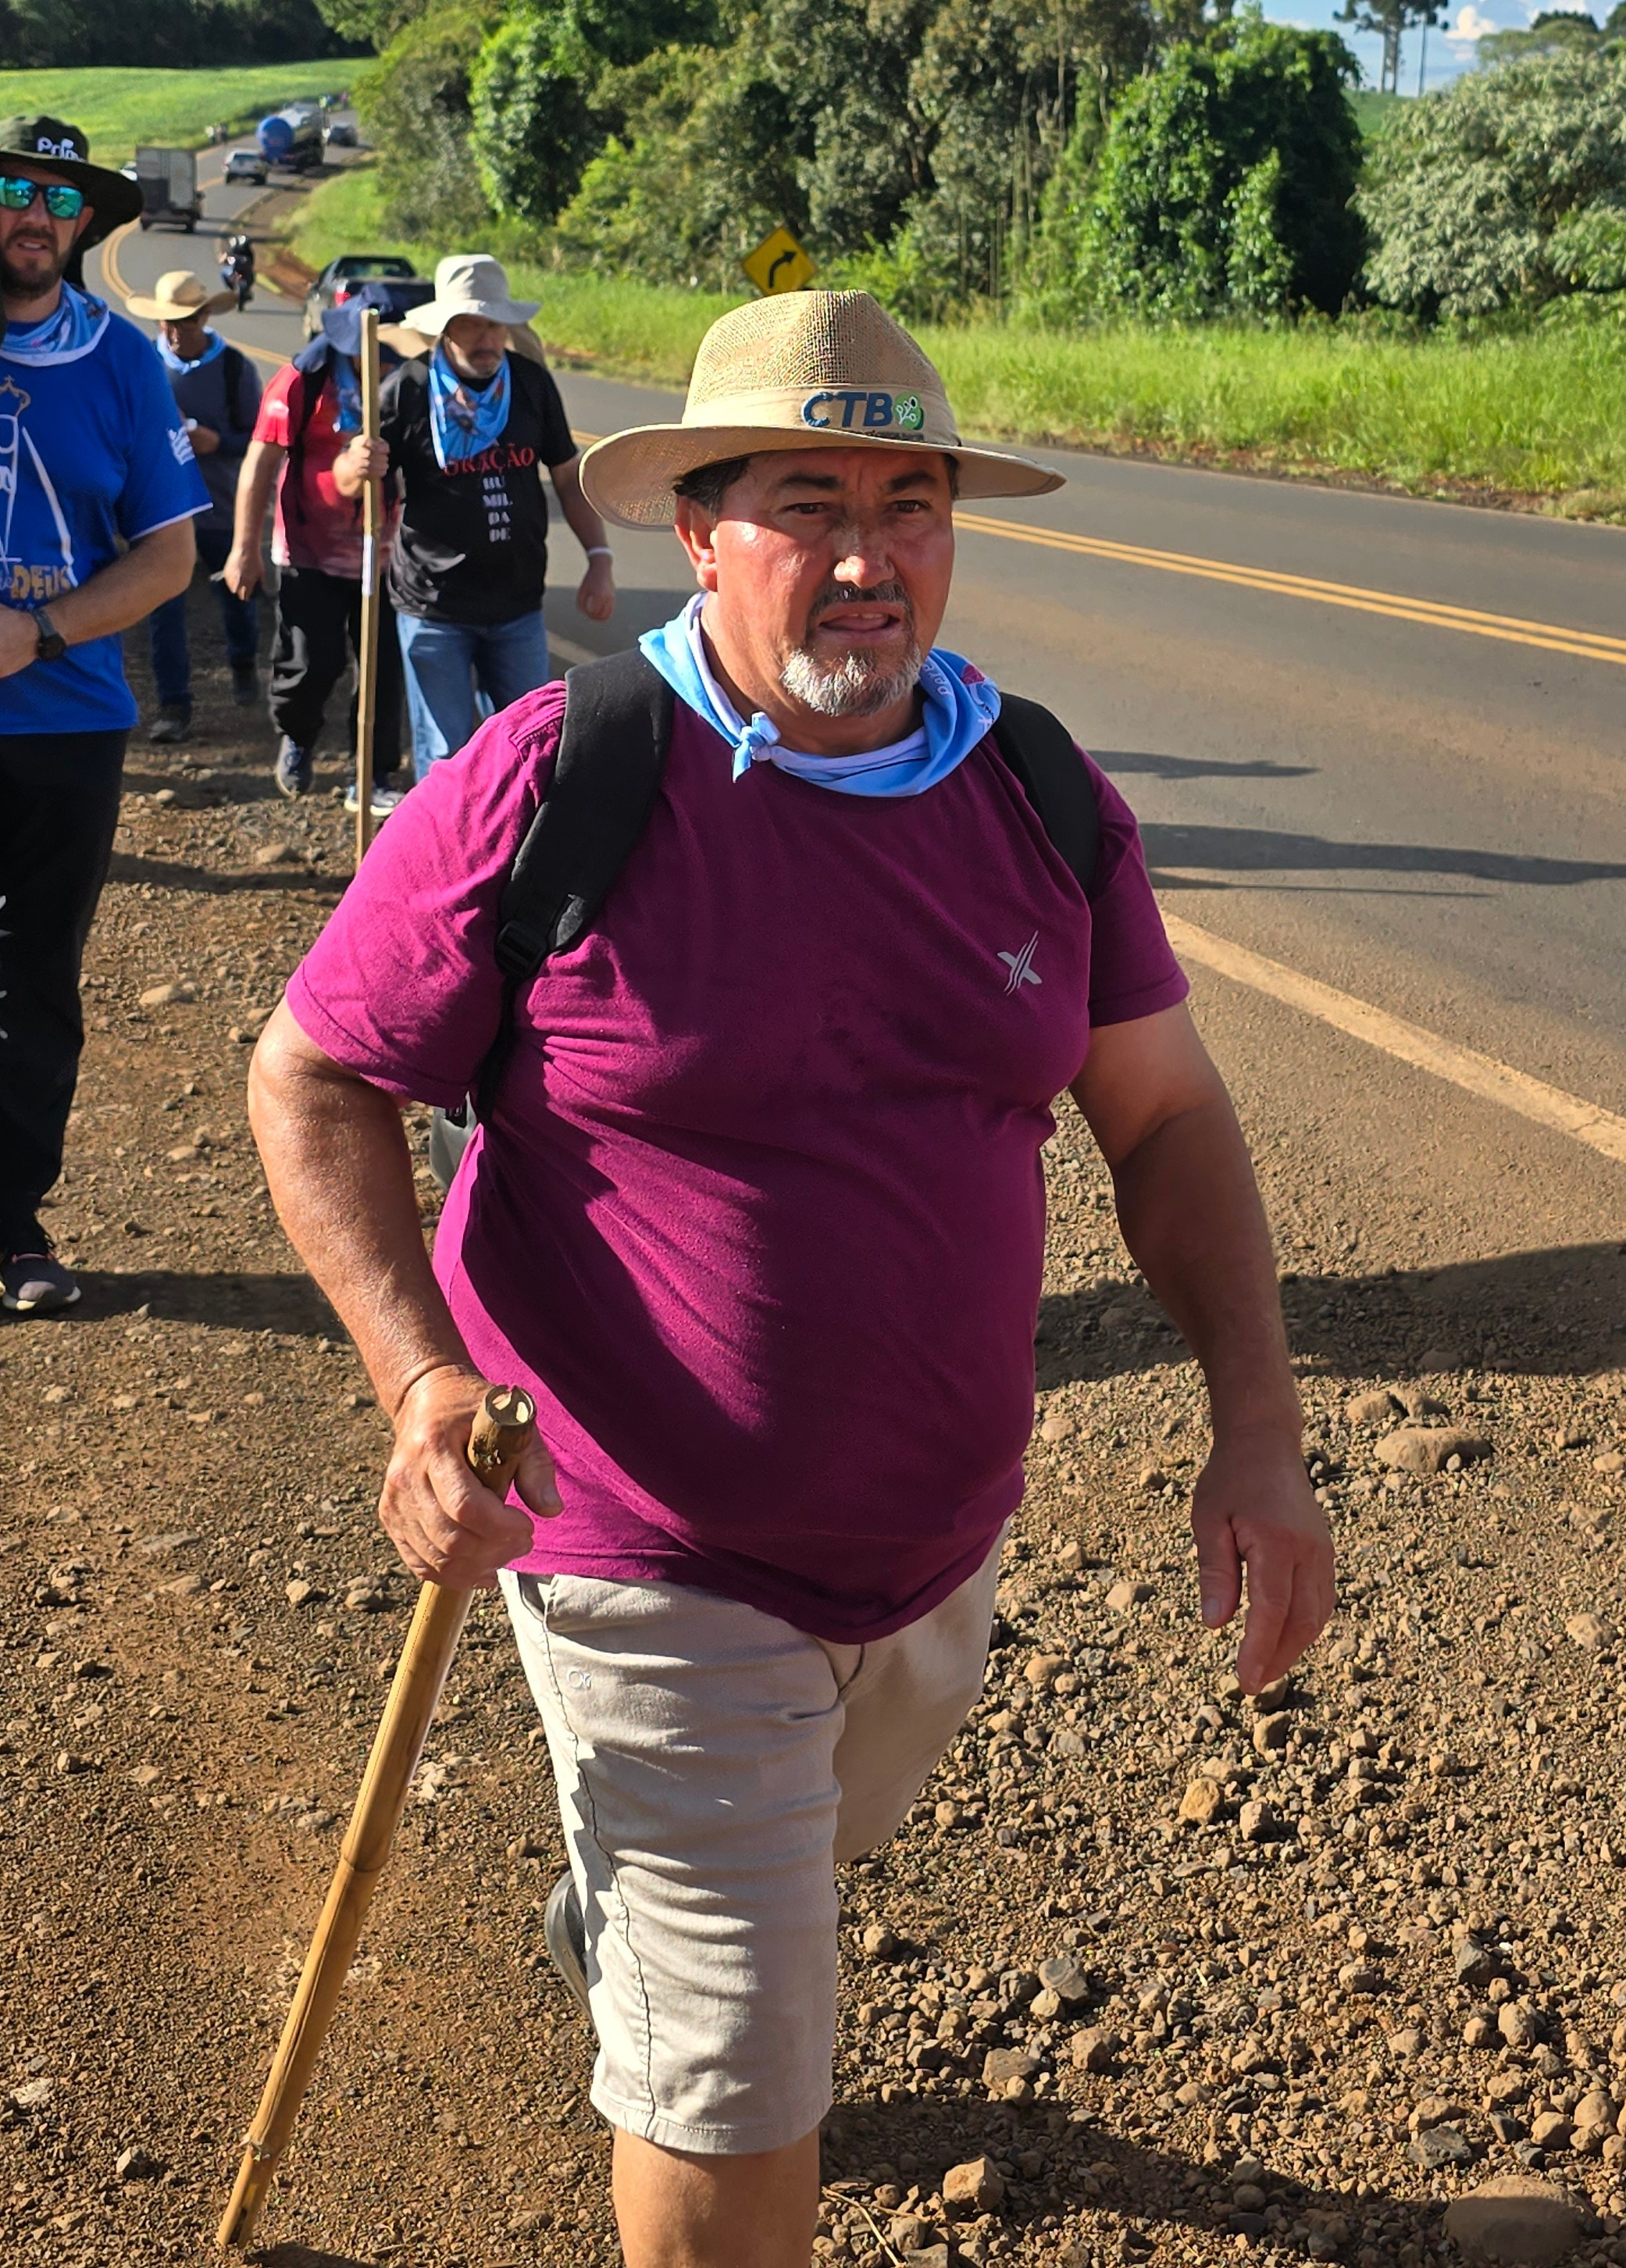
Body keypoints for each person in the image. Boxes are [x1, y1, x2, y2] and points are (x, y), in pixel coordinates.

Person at [248, 291, 1333, 2268]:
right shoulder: (554, 779)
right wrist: (417, 1383)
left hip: (932, 1554)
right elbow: (317, 1069)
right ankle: (682, 1992)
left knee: (776, 1887)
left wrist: (1253, 1427)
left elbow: (1163, 1119)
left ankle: (639, 1928)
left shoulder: (1029, 789)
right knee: (744, 2090)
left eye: (909, 503)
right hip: (638, 1544)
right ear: (699, 526)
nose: (866, 557)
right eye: (809, 502)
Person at [0, 114, 203, 1314]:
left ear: (84, 221)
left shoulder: (122, 360)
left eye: (59, 198)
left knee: (34, 977)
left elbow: (168, 557)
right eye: (12, 190)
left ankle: (9, 1215)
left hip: (68, 719)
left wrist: (36, 631)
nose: (35, 217)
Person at [375, 254, 615, 778]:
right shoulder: (407, 392)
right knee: (447, 757)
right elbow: (362, 483)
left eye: (493, 323)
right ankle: (448, 858)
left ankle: (517, 855)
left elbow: (567, 477)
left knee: (531, 748)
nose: (485, 338)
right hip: (433, 606)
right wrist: (355, 464)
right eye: (470, 325)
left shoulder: (531, 384)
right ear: (444, 329)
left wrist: (599, 557)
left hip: (517, 603)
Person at [224, 287, 405, 804]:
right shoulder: (302, 381)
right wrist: (244, 548)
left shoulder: (410, 381)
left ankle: (371, 775)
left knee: (381, 669)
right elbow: (259, 463)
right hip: (311, 550)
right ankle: (298, 737)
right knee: (311, 661)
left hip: (389, 558)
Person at [126, 267, 263, 740]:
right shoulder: (143, 362)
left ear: (205, 316)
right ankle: (174, 706)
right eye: (166, 321)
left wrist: (215, 440)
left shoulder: (234, 368)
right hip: (162, 509)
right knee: (164, 609)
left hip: (222, 507)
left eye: (183, 320)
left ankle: (243, 665)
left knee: (236, 599)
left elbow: (258, 442)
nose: (173, 331)